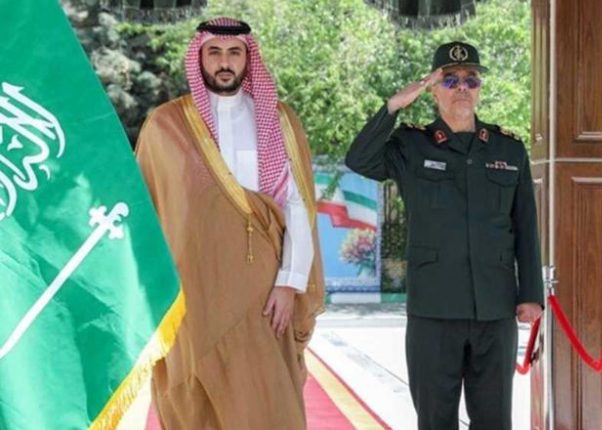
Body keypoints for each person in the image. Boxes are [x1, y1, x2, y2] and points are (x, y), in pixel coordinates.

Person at [135, 17, 324, 429]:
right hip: (192, 295)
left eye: (234, 52)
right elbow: (146, 215)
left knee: (268, 405)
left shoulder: (278, 120)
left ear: (248, 58)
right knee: (194, 405)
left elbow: (297, 207)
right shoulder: (166, 126)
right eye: (215, 52)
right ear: (199, 57)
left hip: (263, 292)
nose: (225, 62)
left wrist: (290, 283)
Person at [346, 41, 544, 430]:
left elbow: (525, 225)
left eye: (471, 80)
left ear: (480, 88)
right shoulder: (410, 144)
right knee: (436, 420)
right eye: (450, 80)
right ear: (434, 89)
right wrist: (393, 106)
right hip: (434, 309)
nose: (462, 88)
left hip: (494, 308)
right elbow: (359, 159)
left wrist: (531, 294)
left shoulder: (508, 148)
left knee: (495, 420)